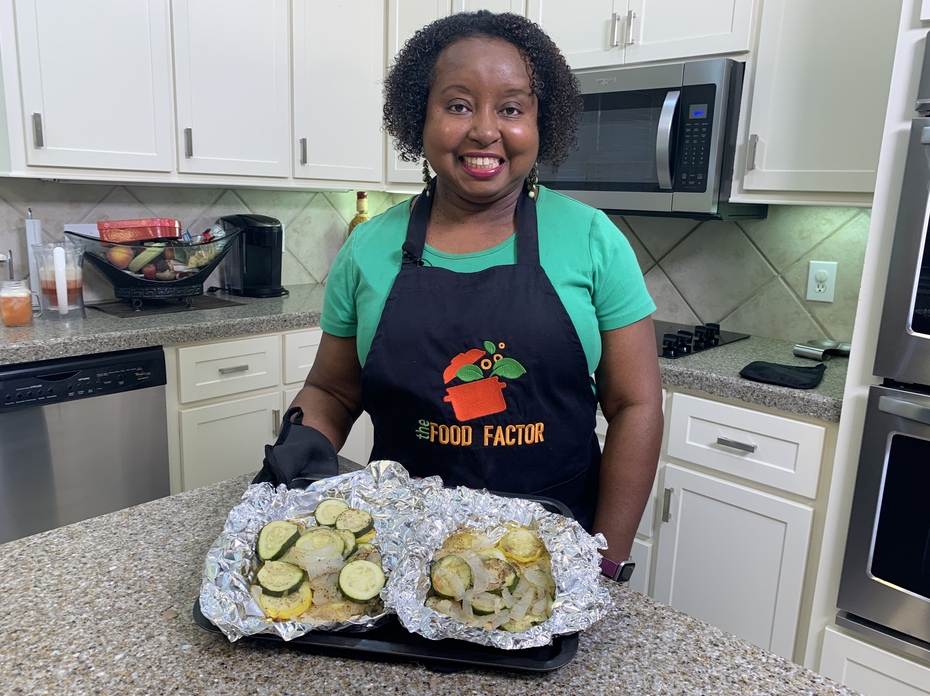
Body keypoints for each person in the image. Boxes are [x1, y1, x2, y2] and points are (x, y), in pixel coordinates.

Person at [287, 10, 663, 566]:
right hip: (402, 551)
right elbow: (333, 392)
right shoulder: (368, 249)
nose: (485, 130)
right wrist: (293, 457)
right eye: (458, 105)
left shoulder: (591, 239)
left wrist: (605, 559)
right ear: (421, 116)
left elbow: (636, 404)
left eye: (511, 108)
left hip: (553, 557)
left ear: (541, 123)